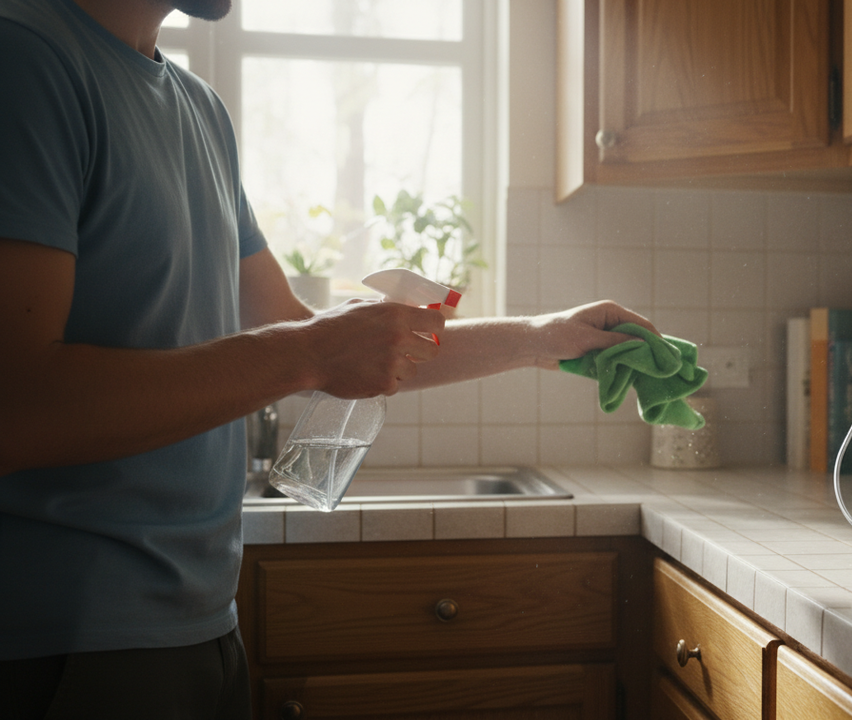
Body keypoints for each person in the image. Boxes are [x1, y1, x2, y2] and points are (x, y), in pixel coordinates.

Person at [0, 0, 655, 716]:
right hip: (65, 638)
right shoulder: (26, 57)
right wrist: (308, 351)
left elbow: (297, 333)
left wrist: (542, 337)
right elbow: (18, 404)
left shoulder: (201, 111)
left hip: (201, 617)